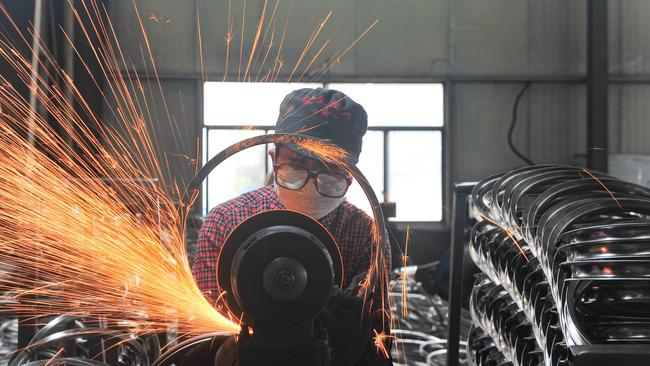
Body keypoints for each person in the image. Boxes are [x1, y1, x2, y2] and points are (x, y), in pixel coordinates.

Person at [191, 87, 392, 365]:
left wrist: (355, 346)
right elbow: (201, 335)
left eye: (329, 168)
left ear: (351, 174)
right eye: (297, 163)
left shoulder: (365, 234)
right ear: (275, 158)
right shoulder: (226, 221)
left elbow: (382, 343)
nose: (312, 179)